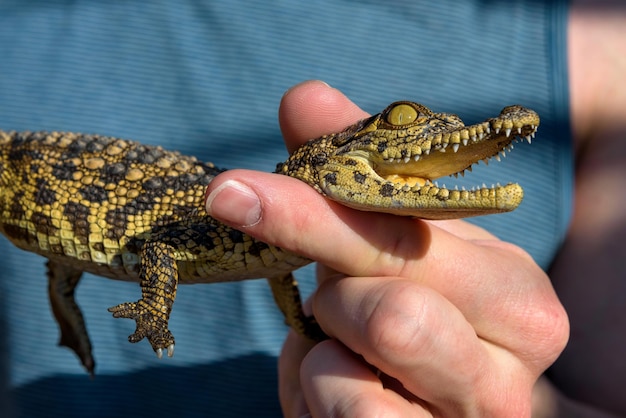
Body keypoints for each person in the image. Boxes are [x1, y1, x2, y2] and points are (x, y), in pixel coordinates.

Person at [0, 1, 623, 417]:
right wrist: (156, 310)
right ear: (333, 158)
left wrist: (528, 406)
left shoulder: (602, 59)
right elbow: (163, 247)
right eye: (404, 121)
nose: (421, 131)